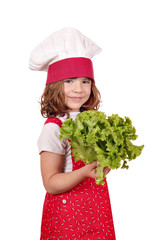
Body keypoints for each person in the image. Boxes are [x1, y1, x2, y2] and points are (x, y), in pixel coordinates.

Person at [29, 28, 116, 240]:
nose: (78, 88)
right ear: (54, 85)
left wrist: (105, 163)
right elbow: (50, 182)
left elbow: (97, 171)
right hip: (67, 216)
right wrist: (85, 172)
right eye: (69, 81)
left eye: (85, 81)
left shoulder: (93, 122)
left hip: (96, 211)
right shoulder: (54, 127)